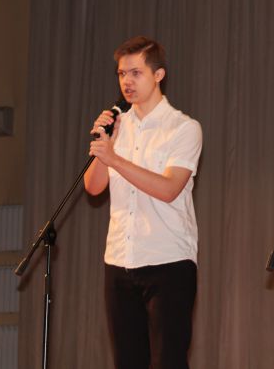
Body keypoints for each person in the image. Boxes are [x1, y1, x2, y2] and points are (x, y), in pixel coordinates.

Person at [84, 36, 202, 369]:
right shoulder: (118, 126)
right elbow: (93, 187)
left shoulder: (183, 128)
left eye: (136, 73)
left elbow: (169, 189)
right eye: (122, 74)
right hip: (119, 260)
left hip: (169, 260)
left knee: (168, 360)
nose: (127, 81)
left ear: (158, 75)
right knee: (127, 361)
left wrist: (115, 159)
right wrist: (105, 145)